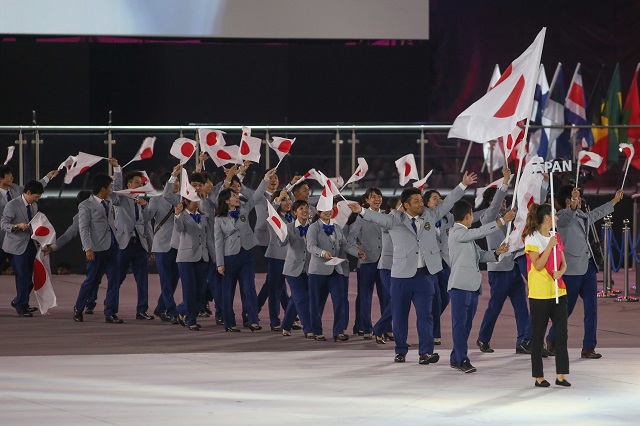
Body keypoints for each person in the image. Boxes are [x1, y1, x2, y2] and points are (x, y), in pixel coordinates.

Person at [349, 172, 476, 364]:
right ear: (406, 205)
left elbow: (449, 202)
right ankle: (400, 350)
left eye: (421, 200)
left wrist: (463, 185)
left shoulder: (430, 215)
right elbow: (376, 218)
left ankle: (426, 352)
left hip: (425, 275)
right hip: (400, 276)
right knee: (400, 316)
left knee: (426, 315)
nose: (421, 204)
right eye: (416, 201)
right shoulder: (394, 219)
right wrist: (362, 211)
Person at [545, 185, 624, 359]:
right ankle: (551, 338)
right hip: (571, 271)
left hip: (588, 268)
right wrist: (573, 203)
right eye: (576, 198)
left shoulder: (582, 215)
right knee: (566, 310)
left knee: (592, 309)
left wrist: (614, 201)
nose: (580, 200)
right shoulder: (560, 217)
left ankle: (588, 347)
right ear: (568, 200)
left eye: (579, 198)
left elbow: (597, 213)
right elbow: (569, 213)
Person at [448, 200, 513, 374]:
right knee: (460, 325)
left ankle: (456, 357)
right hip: (460, 286)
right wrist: (501, 221)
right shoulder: (456, 232)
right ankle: (462, 359)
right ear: (468, 215)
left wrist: (497, 252)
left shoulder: (467, 237)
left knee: (466, 325)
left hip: (472, 286)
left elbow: (481, 256)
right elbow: (479, 232)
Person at [475, 168, 533, 355]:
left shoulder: (509, 216)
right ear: (492, 201)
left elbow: (521, 204)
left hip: (514, 267)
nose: (505, 204)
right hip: (499, 270)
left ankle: (523, 341)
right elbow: (494, 207)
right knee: (495, 307)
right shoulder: (487, 218)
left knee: (522, 308)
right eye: (501, 201)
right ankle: (483, 339)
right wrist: (505, 183)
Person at [215, 169, 271, 332]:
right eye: (233, 196)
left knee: (249, 288)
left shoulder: (245, 209)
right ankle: (229, 323)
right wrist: (219, 263)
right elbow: (218, 241)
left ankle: (253, 320)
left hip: (246, 254)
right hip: (229, 257)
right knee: (228, 292)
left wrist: (265, 178)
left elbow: (257, 195)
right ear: (226, 201)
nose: (236, 197)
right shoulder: (219, 219)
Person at [523, 203, 570, 387]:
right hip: (540, 293)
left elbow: (563, 263)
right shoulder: (531, 238)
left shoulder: (556, 236)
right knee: (538, 335)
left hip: (559, 291)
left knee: (561, 334)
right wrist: (549, 246)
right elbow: (538, 265)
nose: (557, 218)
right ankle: (539, 376)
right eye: (555, 215)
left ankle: (561, 375)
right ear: (547, 218)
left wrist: (561, 272)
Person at [307, 203, 363, 342]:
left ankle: (338, 331)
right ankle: (316, 330)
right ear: (318, 212)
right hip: (318, 271)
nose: (328, 212)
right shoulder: (314, 227)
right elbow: (311, 246)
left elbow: (344, 244)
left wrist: (358, 253)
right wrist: (322, 252)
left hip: (336, 269)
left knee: (340, 301)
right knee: (316, 303)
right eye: (324, 210)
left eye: (330, 209)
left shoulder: (336, 227)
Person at [75, 167, 122, 323]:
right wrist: (87, 248)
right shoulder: (85, 205)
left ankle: (110, 313)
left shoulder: (110, 200)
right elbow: (83, 228)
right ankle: (78, 308)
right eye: (109, 187)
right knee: (92, 281)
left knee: (114, 281)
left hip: (113, 246)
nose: (111, 190)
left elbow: (119, 189)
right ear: (102, 189)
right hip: (95, 249)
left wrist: (117, 170)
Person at [110, 167, 155, 320]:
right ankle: (110, 307)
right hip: (124, 243)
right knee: (118, 277)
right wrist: (117, 171)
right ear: (128, 184)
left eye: (141, 183)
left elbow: (147, 223)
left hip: (140, 244)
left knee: (143, 279)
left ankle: (142, 310)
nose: (140, 185)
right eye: (136, 183)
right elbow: (114, 193)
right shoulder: (120, 199)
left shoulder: (142, 201)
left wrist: (151, 247)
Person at [1, 180, 47, 316]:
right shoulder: (12, 205)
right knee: (23, 276)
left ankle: (18, 301)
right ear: (27, 192)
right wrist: (16, 226)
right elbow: (3, 224)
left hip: (31, 244)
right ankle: (22, 306)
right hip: (16, 245)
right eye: (36, 196)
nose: (37, 199)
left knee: (33, 278)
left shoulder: (34, 206)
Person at [174, 188, 215, 331]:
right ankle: (191, 320)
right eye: (193, 200)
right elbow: (179, 229)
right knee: (189, 290)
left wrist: (215, 259)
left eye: (198, 200)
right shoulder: (182, 215)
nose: (197, 203)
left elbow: (209, 238)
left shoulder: (204, 216)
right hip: (186, 258)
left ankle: (181, 310)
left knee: (200, 290)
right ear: (185, 201)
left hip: (203, 256)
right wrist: (177, 215)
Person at [348, 188, 386, 340]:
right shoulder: (361, 218)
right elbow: (351, 237)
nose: (377, 199)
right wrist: (357, 250)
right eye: (373, 197)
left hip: (385, 262)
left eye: (379, 196)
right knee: (365, 297)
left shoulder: (386, 216)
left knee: (387, 297)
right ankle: (366, 328)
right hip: (367, 262)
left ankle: (386, 328)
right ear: (367, 200)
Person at [260, 189, 295, 331]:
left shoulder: (293, 217)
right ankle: (275, 322)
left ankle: (291, 318)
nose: (287, 202)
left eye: (288, 199)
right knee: (274, 290)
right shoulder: (273, 217)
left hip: (293, 258)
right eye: (283, 200)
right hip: (277, 257)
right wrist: (276, 200)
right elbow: (271, 211)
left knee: (295, 291)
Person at [278, 199, 314, 338]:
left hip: (309, 269)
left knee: (296, 298)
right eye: (301, 208)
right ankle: (308, 329)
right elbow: (282, 243)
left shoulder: (314, 227)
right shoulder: (289, 227)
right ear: (294, 212)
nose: (305, 210)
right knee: (302, 298)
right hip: (293, 269)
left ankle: (286, 325)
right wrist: (281, 233)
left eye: (306, 208)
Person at [148, 171, 181, 323]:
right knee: (166, 280)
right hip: (162, 245)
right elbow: (147, 218)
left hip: (179, 245)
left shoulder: (183, 199)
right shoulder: (155, 200)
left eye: (178, 182)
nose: (177, 184)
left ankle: (160, 307)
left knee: (174, 279)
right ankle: (172, 311)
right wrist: (145, 209)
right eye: (173, 183)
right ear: (164, 185)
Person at [371, 196, 400, 344]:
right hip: (387, 267)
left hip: (401, 268)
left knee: (395, 301)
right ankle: (379, 329)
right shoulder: (386, 220)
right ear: (392, 208)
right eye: (400, 205)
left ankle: (385, 330)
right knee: (396, 301)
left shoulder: (405, 221)